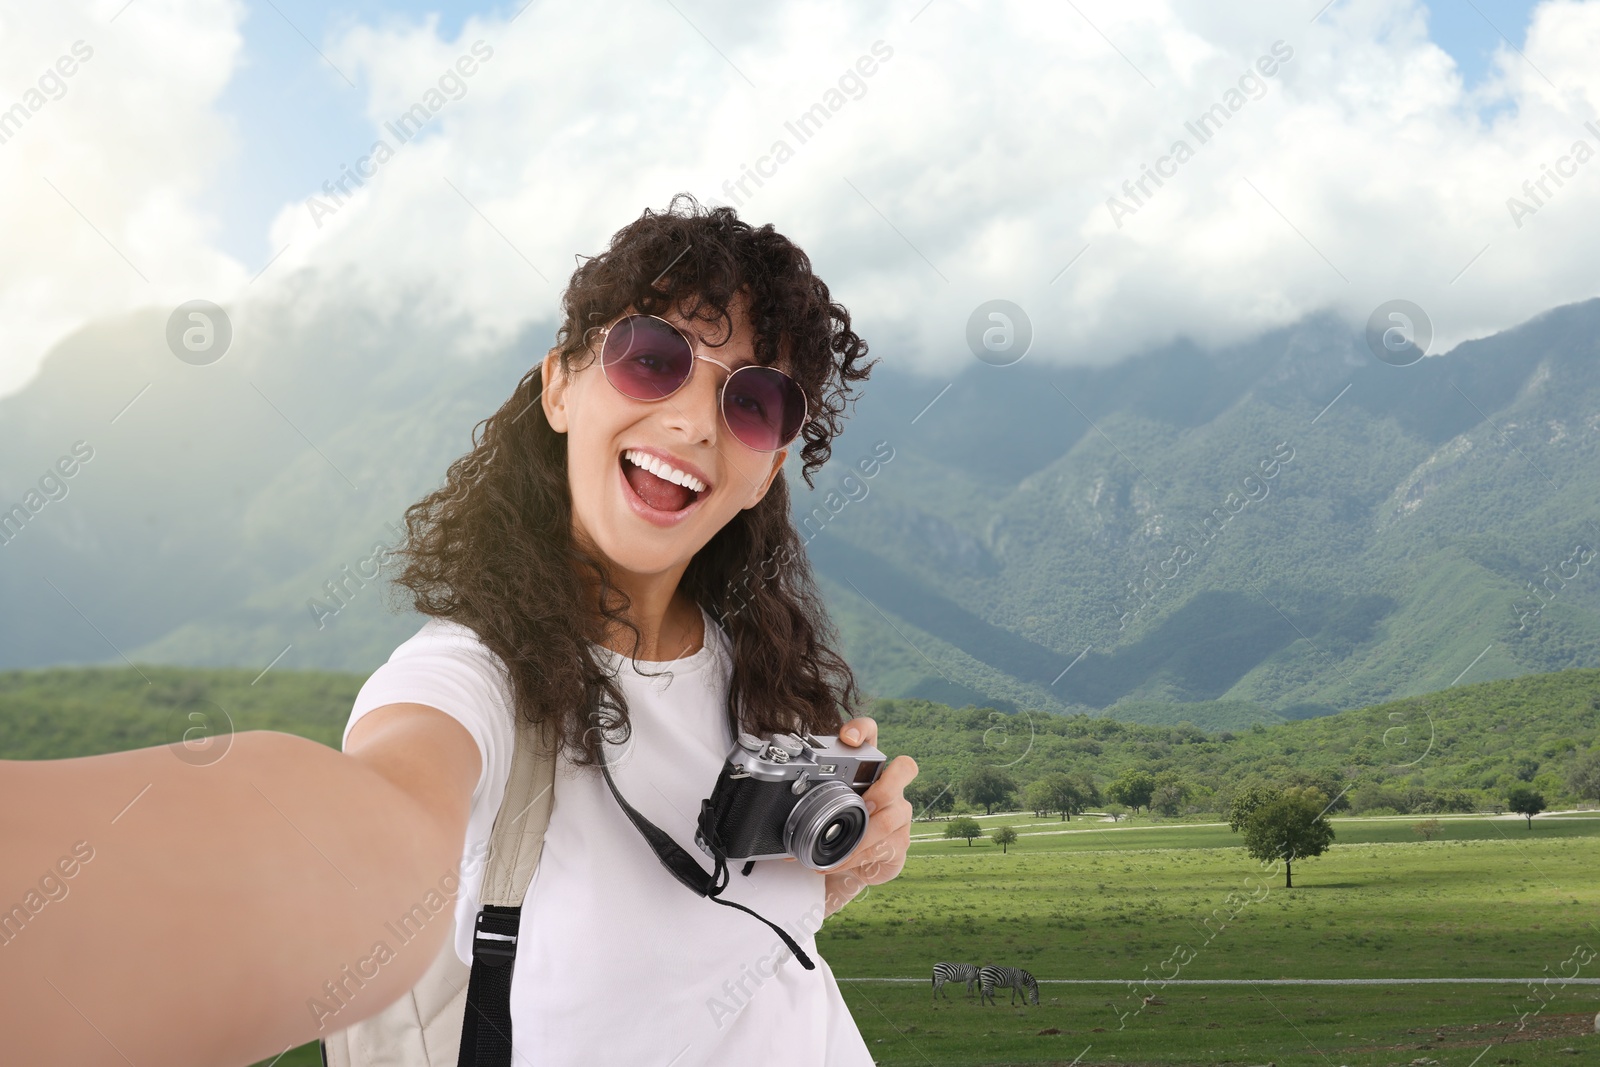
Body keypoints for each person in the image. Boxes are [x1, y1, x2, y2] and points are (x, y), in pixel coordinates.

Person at [0, 193, 917, 1066]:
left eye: (752, 402)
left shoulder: (759, 666)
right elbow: (371, 834)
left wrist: (842, 858)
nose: (690, 418)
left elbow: (731, 957)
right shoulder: (464, 680)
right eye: (652, 357)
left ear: (770, 468)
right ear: (559, 387)